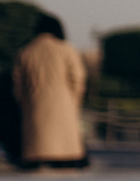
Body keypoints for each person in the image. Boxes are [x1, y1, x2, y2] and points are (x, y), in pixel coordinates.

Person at [10, 14, 88, 169]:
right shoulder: (66, 50)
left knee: (38, 151)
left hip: (35, 106)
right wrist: (73, 102)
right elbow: (78, 80)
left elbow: (18, 86)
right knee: (66, 155)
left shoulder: (26, 51)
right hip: (64, 105)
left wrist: (26, 103)